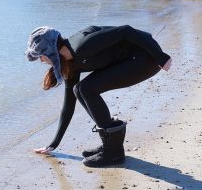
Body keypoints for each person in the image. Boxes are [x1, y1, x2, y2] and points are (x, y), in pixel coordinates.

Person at [25, 25, 172, 167]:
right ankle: (110, 145)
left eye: (41, 56)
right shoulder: (70, 61)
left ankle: (113, 152)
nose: (41, 60)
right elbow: (69, 104)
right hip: (131, 59)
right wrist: (53, 144)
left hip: (146, 58)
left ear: (50, 51)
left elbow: (126, 31)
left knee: (86, 88)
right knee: (79, 90)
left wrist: (161, 57)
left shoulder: (82, 46)